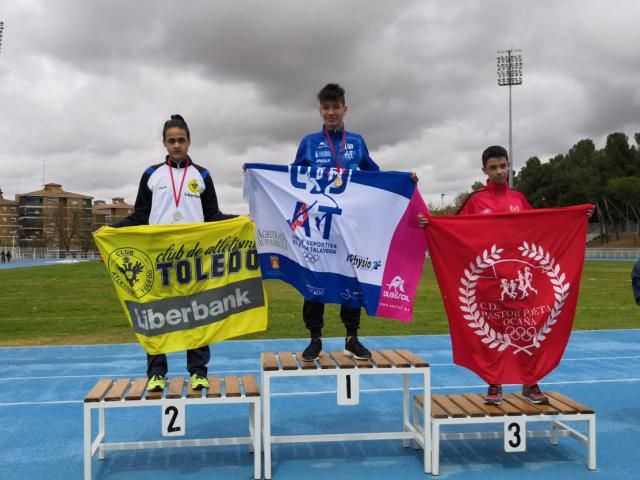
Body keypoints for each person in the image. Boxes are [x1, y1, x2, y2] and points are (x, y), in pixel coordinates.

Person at [292, 83, 417, 362]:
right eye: (326, 107)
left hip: (350, 227)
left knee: (353, 280)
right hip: (321, 227)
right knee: (315, 282)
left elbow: (374, 174)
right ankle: (315, 339)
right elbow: (292, 178)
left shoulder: (356, 141)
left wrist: (403, 180)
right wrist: (258, 173)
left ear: (345, 109)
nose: (331, 112)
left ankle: (352, 338)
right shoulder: (309, 142)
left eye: (336, 106)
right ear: (320, 110)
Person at [113, 114, 235, 392]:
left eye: (181, 140)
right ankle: (157, 373)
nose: (177, 145)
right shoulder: (151, 174)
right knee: (157, 315)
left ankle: (198, 371)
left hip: (194, 258)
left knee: (197, 314)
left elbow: (212, 215)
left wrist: (240, 220)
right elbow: (141, 215)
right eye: (171, 141)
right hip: (159, 258)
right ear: (164, 143)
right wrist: (111, 229)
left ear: (189, 141)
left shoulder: (202, 175)